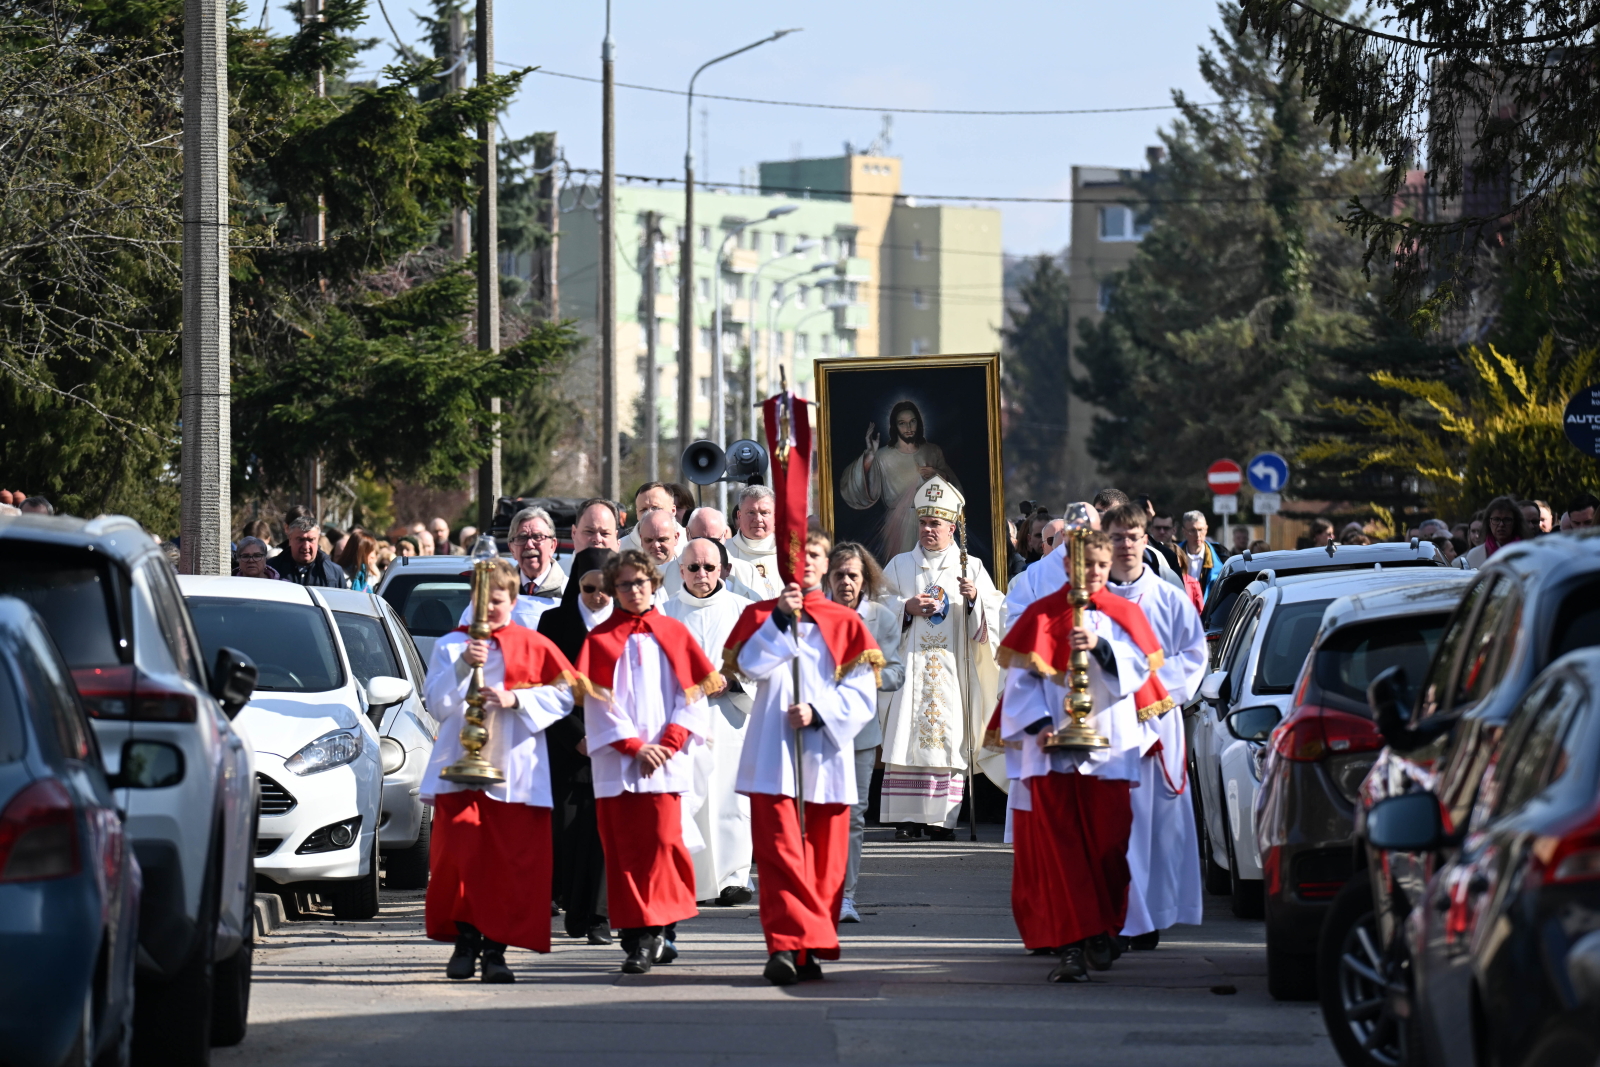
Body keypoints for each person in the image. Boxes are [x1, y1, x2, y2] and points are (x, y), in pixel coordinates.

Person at [998, 528, 1161, 982]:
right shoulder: (1038, 616)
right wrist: (1041, 727)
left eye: (1099, 566)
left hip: (1109, 750)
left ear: (1108, 569)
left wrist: (1101, 647)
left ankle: (1102, 929)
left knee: (1111, 848)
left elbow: (1137, 671)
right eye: (1083, 564)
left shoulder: (1124, 614)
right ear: (1067, 566)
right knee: (1064, 854)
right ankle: (1072, 947)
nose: (1091, 573)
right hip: (1052, 755)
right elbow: (1020, 684)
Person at [726, 530, 881, 986]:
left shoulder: (847, 622)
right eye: (797, 555)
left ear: (827, 562)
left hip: (825, 754)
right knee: (779, 857)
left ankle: (809, 943)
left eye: (814, 554)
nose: (805, 562)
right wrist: (778, 620)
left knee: (825, 861)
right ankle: (783, 945)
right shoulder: (761, 615)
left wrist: (820, 712)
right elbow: (750, 667)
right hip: (774, 756)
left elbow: (862, 694)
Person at [420, 558, 578, 983]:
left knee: (508, 866)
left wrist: (517, 700)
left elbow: (566, 696)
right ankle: (465, 942)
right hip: (459, 771)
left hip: (516, 775)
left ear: (513, 600)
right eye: (483, 600)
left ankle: (496, 951)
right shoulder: (451, 645)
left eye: (499, 600)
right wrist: (459, 667)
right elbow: (435, 704)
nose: (490, 608)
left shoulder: (533, 644)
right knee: (461, 861)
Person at [576, 550, 718, 974]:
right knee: (624, 854)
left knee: (663, 849)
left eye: (641, 583)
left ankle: (659, 930)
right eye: (624, 585)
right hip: (620, 766)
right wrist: (634, 746)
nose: (634, 591)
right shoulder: (600, 639)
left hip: (666, 764)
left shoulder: (674, 633)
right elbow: (599, 705)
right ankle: (638, 939)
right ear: (613, 590)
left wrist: (669, 743)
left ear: (654, 584)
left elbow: (692, 696)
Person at [1100, 504, 1206, 950]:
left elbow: (1195, 658)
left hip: (1155, 727)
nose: (1126, 545)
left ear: (1147, 540)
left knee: (1155, 827)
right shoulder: (1088, 599)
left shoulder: (1170, 599)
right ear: (1105, 543)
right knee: (1113, 828)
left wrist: (1143, 682)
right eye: (1117, 537)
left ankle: (1148, 918)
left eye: (1133, 536)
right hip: (1104, 729)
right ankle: (1117, 915)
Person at [878, 477, 1003, 841]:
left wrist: (976, 599)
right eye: (923, 522)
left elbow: (995, 614)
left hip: (951, 671)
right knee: (906, 735)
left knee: (947, 741)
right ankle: (905, 818)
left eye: (935, 523)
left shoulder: (971, 567)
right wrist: (905, 608)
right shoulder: (899, 566)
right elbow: (875, 613)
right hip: (910, 669)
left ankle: (941, 819)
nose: (928, 529)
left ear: (952, 527)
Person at [662, 538, 756, 907]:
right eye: (693, 567)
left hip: (730, 715)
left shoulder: (744, 610)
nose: (701, 574)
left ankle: (735, 877)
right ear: (680, 570)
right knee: (691, 800)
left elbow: (761, 664)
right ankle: (691, 878)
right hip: (683, 721)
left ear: (724, 570)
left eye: (709, 567)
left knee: (731, 799)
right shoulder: (665, 612)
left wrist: (732, 680)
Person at [537, 548, 616, 943]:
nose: (597, 597)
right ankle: (575, 908)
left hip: (615, 741)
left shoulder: (625, 624)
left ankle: (600, 916)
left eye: (605, 589)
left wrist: (611, 736)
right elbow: (542, 685)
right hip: (567, 744)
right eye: (588, 588)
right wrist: (574, 736)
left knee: (604, 832)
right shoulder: (554, 622)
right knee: (569, 832)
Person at [826, 542, 905, 923]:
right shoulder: (812, 618)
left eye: (852, 575)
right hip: (817, 731)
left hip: (859, 733)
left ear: (865, 580)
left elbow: (896, 673)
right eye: (839, 574)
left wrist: (867, 675)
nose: (845, 582)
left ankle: (846, 896)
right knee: (819, 814)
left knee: (855, 816)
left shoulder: (882, 619)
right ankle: (819, 891)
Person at [839, 400, 962, 562]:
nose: (908, 428)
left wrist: (937, 474)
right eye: (902, 423)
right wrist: (869, 457)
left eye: (912, 422)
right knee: (902, 570)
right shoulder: (883, 456)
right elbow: (861, 492)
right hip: (898, 526)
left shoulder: (932, 451)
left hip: (932, 523)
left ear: (919, 422)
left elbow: (955, 491)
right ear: (894, 426)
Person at [461, 507, 567, 631]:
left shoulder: (570, 593)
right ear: (512, 549)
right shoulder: (494, 592)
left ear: (552, 546)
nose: (529, 545)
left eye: (537, 537)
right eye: (522, 538)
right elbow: (466, 633)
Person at [1003, 503, 1099, 633]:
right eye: (1078, 531)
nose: (1085, 538)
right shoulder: (1033, 575)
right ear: (1065, 533)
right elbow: (1012, 621)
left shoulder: (1109, 567)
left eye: (1091, 532)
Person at [686, 506, 770, 600]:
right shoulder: (667, 572)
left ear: (725, 534)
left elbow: (760, 611)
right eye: (699, 539)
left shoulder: (747, 572)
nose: (706, 547)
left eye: (713, 540)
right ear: (687, 533)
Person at [725, 485, 783, 599]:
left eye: (764, 512)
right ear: (739, 515)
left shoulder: (789, 551)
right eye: (751, 512)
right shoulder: (725, 552)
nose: (758, 519)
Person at [620, 481, 688, 557]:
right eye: (643, 510)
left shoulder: (689, 541)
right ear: (637, 513)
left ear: (673, 511)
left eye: (656, 508)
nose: (649, 514)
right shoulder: (620, 549)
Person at [276, 517, 348, 588]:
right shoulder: (272, 570)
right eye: (300, 539)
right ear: (290, 538)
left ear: (318, 539)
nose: (306, 546)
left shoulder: (334, 573)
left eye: (311, 540)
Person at [1173, 510, 1223, 612]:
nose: (1198, 535)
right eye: (1193, 530)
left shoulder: (1221, 557)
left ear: (1206, 529)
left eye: (1201, 530)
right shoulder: (1173, 555)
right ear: (1184, 532)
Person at [1462, 496, 1529, 568]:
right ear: (1489, 523)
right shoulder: (1474, 555)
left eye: (1507, 520)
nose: (1501, 524)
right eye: (1496, 519)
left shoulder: (1528, 553)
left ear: (1515, 523)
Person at [635, 510, 682, 601]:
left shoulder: (690, 571)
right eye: (649, 540)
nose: (656, 545)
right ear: (641, 540)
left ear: (676, 538)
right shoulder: (632, 575)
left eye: (662, 539)